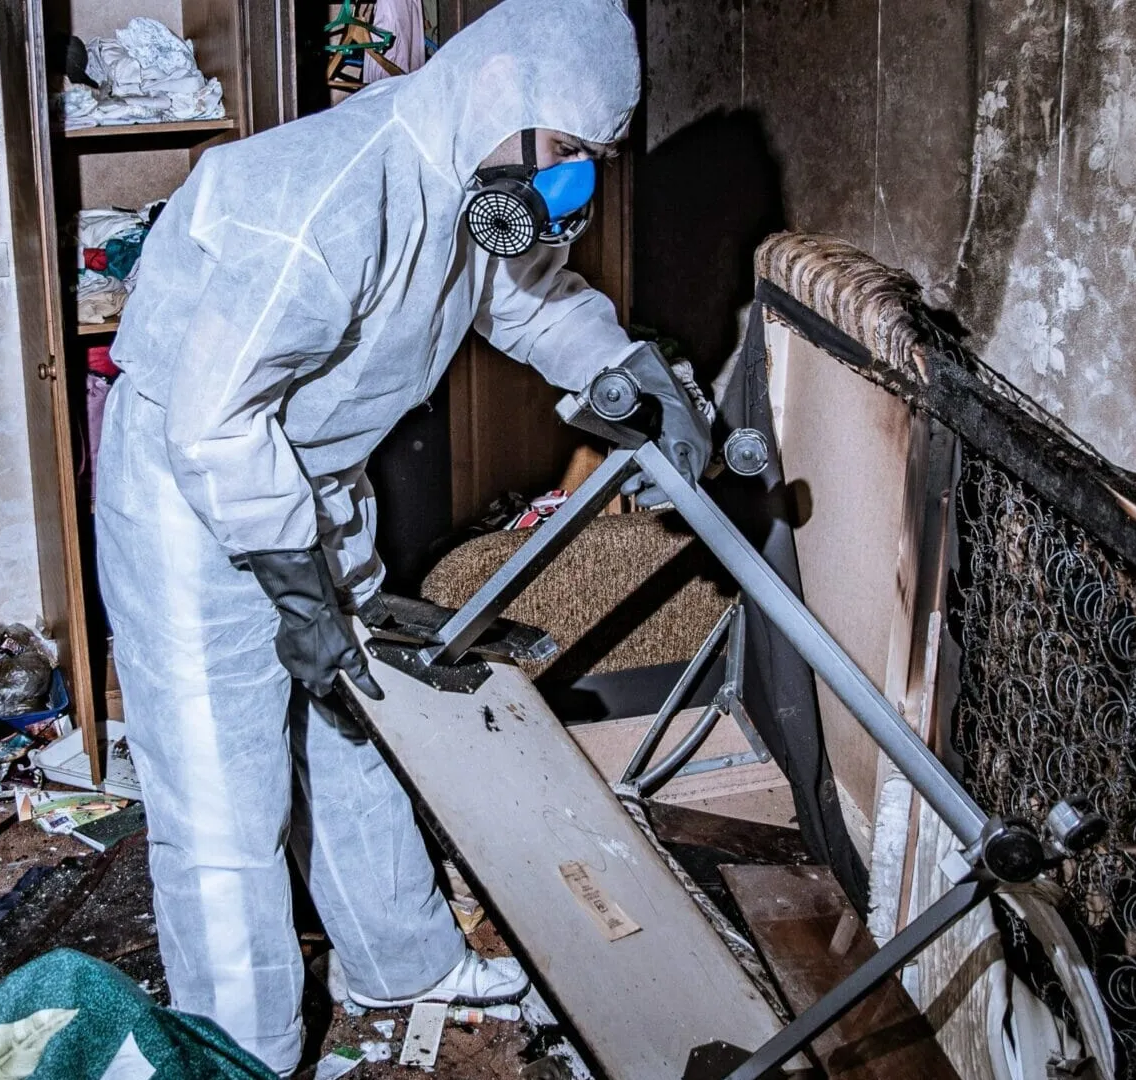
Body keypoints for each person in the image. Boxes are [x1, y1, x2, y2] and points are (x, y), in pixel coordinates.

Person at [93, 0, 711, 1072]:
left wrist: (615, 366)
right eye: (565, 149)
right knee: (225, 794)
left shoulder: (475, 177)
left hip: (317, 477)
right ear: (500, 93)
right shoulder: (323, 195)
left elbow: (522, 303)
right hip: (196, 497)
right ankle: (246, 1049)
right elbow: (214, 418)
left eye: (591, 158)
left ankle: (400, 960)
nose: (573, 181)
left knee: (358, 720)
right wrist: (296, 591)